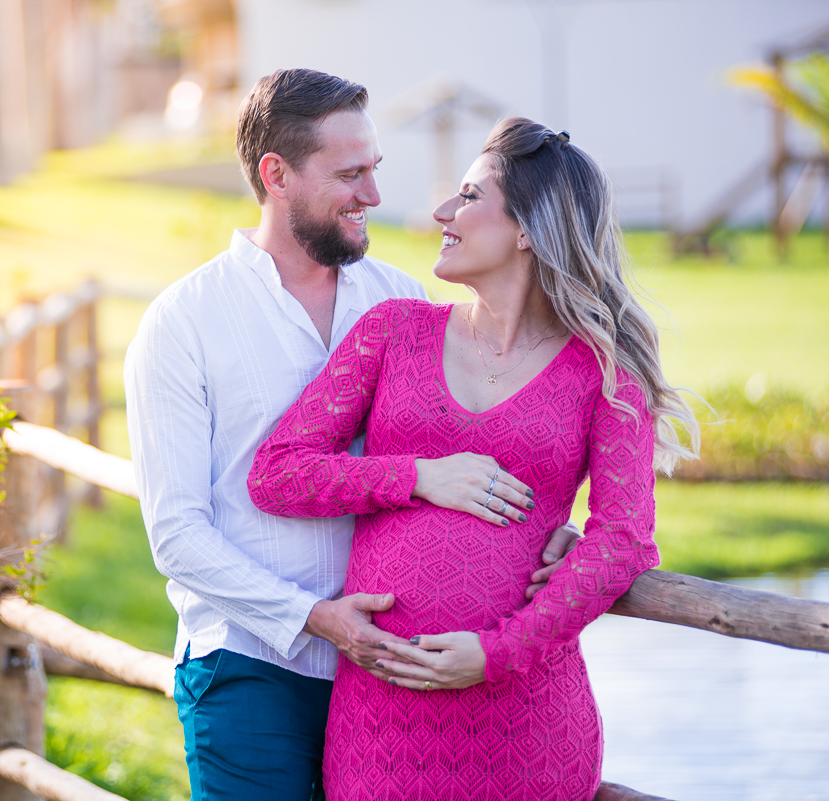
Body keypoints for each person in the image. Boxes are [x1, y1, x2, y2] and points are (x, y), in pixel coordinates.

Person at [124, 72, 579, 801]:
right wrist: (314, 618)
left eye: (374, 170)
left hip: (387, 678)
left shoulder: (402, 301)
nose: (373, 195)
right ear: (276, 175)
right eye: (349, 174)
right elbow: (176, 534)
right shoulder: (184, 323)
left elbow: (476, 457)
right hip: (250, 667)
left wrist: (554, 534)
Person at [247, 118, 700, 800]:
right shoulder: (393, 332)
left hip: (525, 717)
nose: (441, 213)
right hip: (383, 720)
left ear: (526, 228)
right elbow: (279, 471)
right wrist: (415, 476)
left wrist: (495, 655)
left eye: (467, 195)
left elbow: (624, 540)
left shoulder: (606, 370)